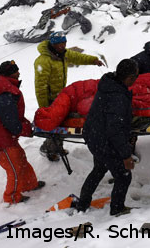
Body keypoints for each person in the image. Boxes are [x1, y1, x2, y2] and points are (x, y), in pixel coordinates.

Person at [76, 59, 139, 216]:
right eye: (135, 77)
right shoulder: (118, 96)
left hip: (94, 135)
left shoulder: (109, 85)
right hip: (103, 139)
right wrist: (126, 155)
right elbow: (114, 129)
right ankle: (117, 209)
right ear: (130, 78)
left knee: (99, 168)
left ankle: (83, 203)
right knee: (124, 175)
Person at [0, 61, 43, 204]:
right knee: (14, 167)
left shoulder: (3, 88)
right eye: (16, 71)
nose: (19, 73)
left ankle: (29, 184)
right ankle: (12, 197)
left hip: (2, 134)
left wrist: (26, 126)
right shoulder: (3, 93)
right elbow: (11, 121)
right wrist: (27, 130)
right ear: (9, 74)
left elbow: (13, 117)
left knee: (20, 158)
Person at [35, 32, 103, 161]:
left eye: (64, 43)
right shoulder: (43, 61)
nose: (63, 46)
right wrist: (44, 108)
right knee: (54, 124)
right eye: (60, 44)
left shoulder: (63, 54)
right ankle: (48, 149)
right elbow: (40, 87)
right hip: (49, 98)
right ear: (53, 44)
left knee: (61, 123)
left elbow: (77, 57)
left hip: (61, 96)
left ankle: (56, 147)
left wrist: (94, 60)